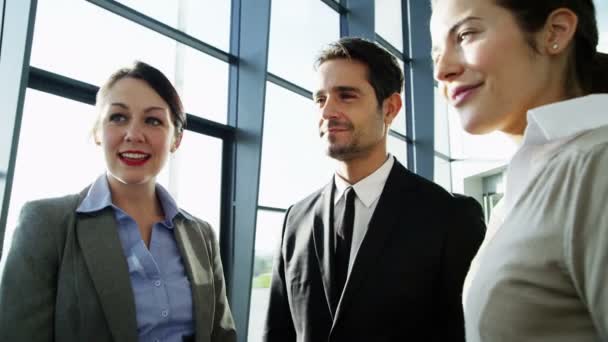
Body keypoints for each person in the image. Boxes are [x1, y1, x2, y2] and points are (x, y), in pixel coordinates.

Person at [263, 37, 486, 342]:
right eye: (320, 99)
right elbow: (278, 332)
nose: (327, 111)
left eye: (346, 96)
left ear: (391, 108)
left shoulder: (450, 217)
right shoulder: (295, 219)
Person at [0, 61, 236, 342]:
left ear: (177, 139)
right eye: (118, 117)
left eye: (153, 120)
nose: (134, 134)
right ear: (98, 132)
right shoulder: (46, 224)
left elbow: (222, 335)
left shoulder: (202, 235)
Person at [431, 0, 608, 340]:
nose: (442, 70)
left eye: (466, 35)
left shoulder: (595, 166)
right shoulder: (521, 192)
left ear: (554, 32)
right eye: (436, 52)